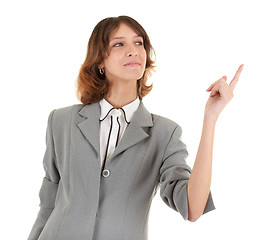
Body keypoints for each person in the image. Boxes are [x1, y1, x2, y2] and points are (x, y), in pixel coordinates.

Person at [27, 15, 244, 240]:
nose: (133, 51)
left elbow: (193, 208)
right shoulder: (61, 121)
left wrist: (210, 120)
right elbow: (48, 205)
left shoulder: (164, 133)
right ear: (100, 60)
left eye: (139, 43)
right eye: (119, 44)